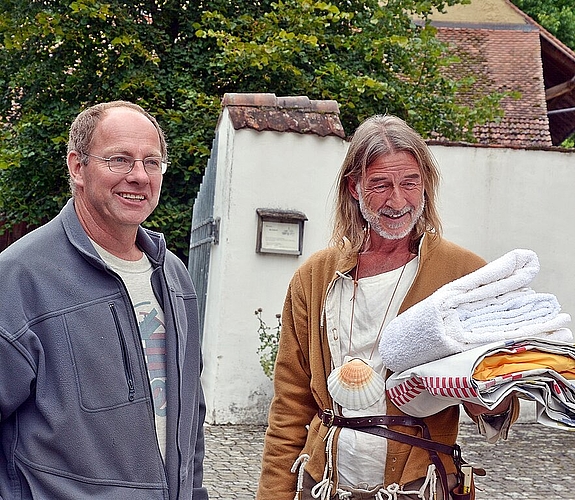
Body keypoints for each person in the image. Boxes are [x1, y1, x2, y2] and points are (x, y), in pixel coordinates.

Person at [257, 115, 519, 500]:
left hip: (419, 483)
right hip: (323, 483)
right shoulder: (314, 277)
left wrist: (483, 397)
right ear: (354, 187)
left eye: (410, 183)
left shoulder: (464, 275)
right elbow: (290, 406)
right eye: (380, 185)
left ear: (425, 184)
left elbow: (501, 401)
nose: (397, 201)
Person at [0, 101, 208, 499]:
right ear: (77, 167)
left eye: (152, 162)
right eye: (119, 160)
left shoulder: (174, 276)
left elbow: (189, 416)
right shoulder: (20, 279)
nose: (139, 176)